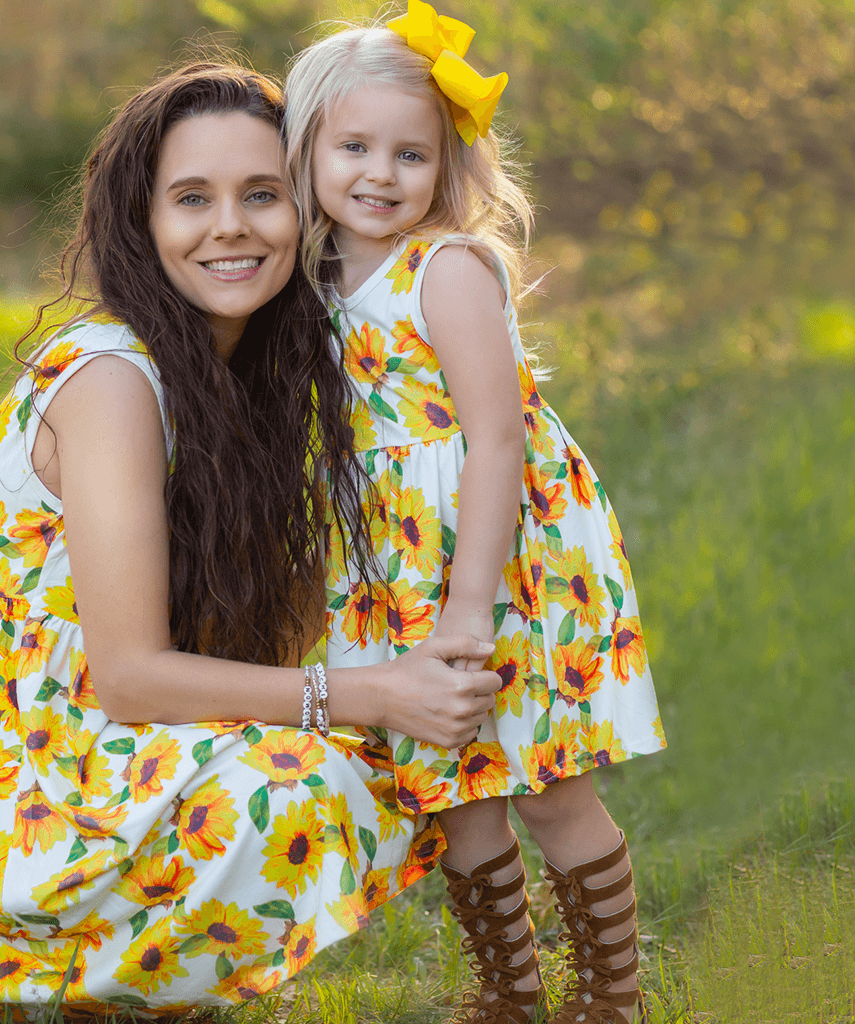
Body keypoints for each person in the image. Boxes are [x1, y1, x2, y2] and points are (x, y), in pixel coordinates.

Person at [0, 60, 505, 1021]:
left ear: (308, 211)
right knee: (312, 778)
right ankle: (66, 976)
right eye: (191, 198)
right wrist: (376, 694)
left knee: (346, 754)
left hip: (78, 746)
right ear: (142, 224)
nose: (230, 225)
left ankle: (135, 975)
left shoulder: (259, 383)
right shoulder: (113, 378)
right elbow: (132, 677)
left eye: (261, 196)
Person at [283, 4, 667, 1023]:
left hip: (501, 559)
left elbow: (496, 439)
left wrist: (468, 605)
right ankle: (509, 991)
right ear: (309, 145)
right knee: (454, 791)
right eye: (354, 146)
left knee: (546, 784)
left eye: (411, 154)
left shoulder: (443, 268)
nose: (380, 173)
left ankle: (613, 997)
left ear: (447, 166)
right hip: (392, 565)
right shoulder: (314, 277)